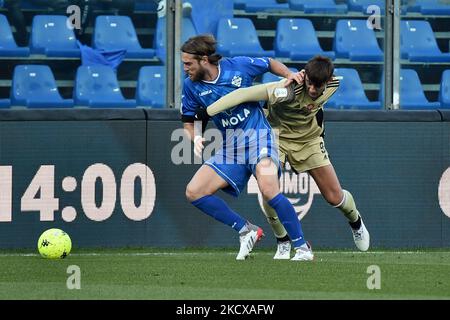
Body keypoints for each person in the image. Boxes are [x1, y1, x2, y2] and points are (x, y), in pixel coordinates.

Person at [197, 55, 370, 254]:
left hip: (309, 141)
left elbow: (318, 110)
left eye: (318, 86)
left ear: (328, 82)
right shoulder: (285, 90)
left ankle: (356, 223)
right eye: (309, 84)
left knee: (334, 196)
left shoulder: (334, 85)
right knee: (268, 189)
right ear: (304, 76)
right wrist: (207, 112)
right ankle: (283, 241)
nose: (312, 90)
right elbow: (243, 94)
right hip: (275, 137)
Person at [181, 34, 314, 261]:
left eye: (188, 63)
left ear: (204, 59)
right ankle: (245, 229)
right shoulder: (191, 86)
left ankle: (302, 248)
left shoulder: (238, 66)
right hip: (231, 148)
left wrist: (289, 75)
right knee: (194, 191)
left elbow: (269, 63)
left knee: (269, 189)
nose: (185, 68)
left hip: (259, 137)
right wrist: (195, 137)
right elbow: (188, 122)